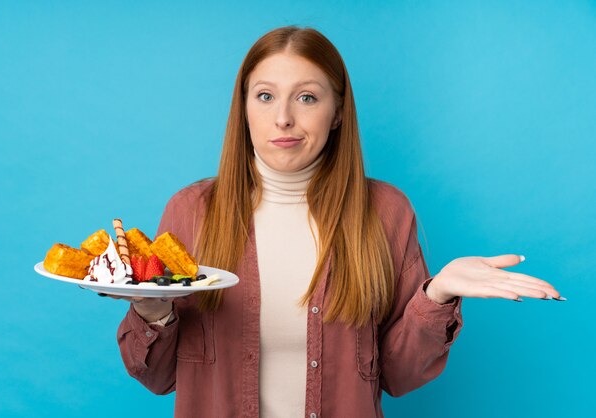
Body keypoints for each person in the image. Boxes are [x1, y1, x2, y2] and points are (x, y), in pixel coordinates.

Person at [115, 26, 562, 418]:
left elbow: (400, 377)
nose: (283, 117)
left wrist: (437, 294)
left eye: (306, 97)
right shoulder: (191, 211)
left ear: (338, 113)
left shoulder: (385, 211)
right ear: (244, 108)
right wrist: (151, 311)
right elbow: (158, 378)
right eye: (265, 95)